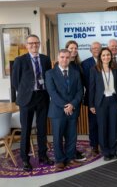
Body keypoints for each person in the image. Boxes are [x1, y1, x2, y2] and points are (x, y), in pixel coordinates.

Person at [12, 34, 54, 171]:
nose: (34, 45)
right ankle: (25, 159)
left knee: (42, 129)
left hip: (42, 97)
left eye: (36, 43)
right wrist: (26, 92)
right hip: (27, 99)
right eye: (31, 43)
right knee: (26, 130)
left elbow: (48, 77)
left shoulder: (45, 59)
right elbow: (15, 82)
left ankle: (43, 155)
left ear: (39, 44)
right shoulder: (20, 60)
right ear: (26, 45)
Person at [46, 49, 83, 171]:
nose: (64, 60)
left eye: (67, 57)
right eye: (62, 57)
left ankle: (70, 158)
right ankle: (60, 161)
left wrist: (72, 105)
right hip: (58, 111)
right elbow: (52, 93)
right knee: (57, 137)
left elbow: (79, 91)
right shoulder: (50, 73)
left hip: (72, 110)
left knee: (72, 136)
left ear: (70, 58)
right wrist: (65, 106)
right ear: (58, 58)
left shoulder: (75, 72)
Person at [88, 48, 117, 161]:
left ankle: (113, 150)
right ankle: (106, 152)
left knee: (113, 127)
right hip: (100, 102)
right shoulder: (94, 70)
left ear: (111, 56)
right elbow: (91, 88)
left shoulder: (115, 69)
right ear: (100, 57)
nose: (106, 57)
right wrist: (91, 104)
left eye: (108, 55)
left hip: (113, 101)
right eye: (103, 55)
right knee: (102, 127)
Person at [64, 40, 87, 161]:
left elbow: (81, 84)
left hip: (75, 101)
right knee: (65, 129)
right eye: (71, 48)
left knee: (73, 129)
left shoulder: (79, 65)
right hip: (64, 103)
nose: (73, 50)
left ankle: (72, 151)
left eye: (75, 48)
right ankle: (68, 151)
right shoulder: (61, 63)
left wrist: (75, 102)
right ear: (66, 49)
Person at [81, 41, 102, 155]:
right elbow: (84, 81)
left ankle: (103, 143)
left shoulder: (106, 60)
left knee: (103, 122)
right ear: (90, 50)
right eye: (94, 48)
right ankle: (94, 145)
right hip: (92, 98)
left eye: (98, 48)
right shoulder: (85, 64)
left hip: (105, 98)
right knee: (93, 123)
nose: (96, 50)